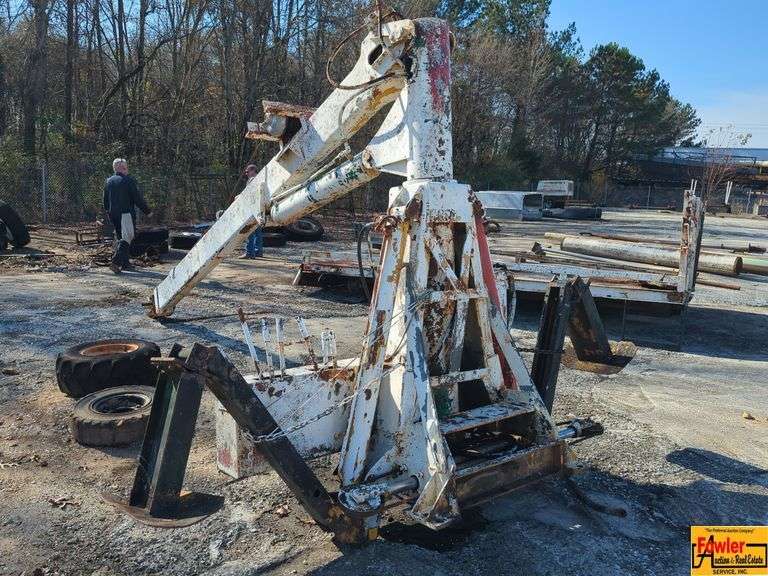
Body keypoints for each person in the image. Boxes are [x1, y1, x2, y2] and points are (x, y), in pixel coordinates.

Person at [103, 158, 151, 273]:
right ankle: (115, 262)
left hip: (113, 214)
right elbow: (137, 198)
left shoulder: (108, 181)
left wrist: (108, 212)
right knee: (128, 236)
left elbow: (105, 200)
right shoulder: (128, 180)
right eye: (125, 167)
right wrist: (147, 211)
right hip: (125, 213)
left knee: (121, 237)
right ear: (121, 168)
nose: (127, 169)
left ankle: (125, 264)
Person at [239, 163, 263, 259]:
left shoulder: (252, 179)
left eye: (247, 171)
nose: (246, 174)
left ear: (253, 171)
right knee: (257, 231)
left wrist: (239, 197)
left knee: (249, 231)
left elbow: (248, 193)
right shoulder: (260, 178)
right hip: (259, 208)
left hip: (252, 208)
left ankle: (250, 252)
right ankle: (258, 251)